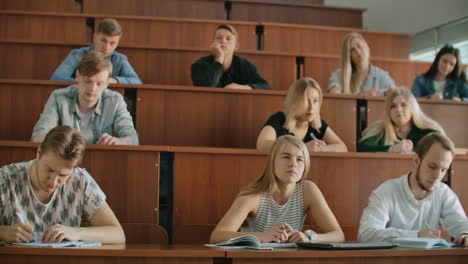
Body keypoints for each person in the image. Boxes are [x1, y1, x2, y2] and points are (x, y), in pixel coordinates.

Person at [0, 126, 125, 244]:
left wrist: (77, 232)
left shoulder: (80, 180)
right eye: (49, 170)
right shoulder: (5, 178)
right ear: (38, 153)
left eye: (63, 175)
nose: (53, 182)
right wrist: (3, 232)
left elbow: (118, 234)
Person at [210, 135, 344, 244]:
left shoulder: (308, 190)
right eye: (286, 157)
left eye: (300, 159)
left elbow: (338, 235)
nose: (293, 164)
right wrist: (263, 236)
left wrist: (309, 238)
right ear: (272, 162)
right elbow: (217, 236)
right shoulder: (254, 194)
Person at [358, 133, 468, 246]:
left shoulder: (444, 193)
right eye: (432, 167)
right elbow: (366, 235)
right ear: (416, 161)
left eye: (443, 170)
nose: (437, 176)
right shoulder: (386, 192)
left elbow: (461, 224)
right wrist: (417, 236)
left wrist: (465, 234)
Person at [32, 51, 139, 145]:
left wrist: (119, 142)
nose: (92, 88)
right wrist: (61, 142)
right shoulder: (58, 98)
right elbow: (38, 137)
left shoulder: (115, 101)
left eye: (99, 83)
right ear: (78, 76)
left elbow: (133, 140)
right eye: (88, 81)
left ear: (107, 83)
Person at [257, 77, 348, 152]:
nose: (311, 107)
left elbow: (342, 148)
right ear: (294, 102)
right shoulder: (279, 119)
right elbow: (262, 145)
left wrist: (320, 149)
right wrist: (303, 147)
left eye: (315, 101)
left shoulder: (317, 125)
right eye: (305, 101)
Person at [50, 18, 142, 84]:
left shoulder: (120, 59)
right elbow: (56, 78)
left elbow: (137, 82)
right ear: (94, 38)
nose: (107, 47)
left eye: (112, 43)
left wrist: (114, 80)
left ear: (117, 43)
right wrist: (86, 82)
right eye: (103, 41)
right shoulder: (77, 55)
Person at [358, 87, 444, 153]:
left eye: (403, 105)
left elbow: (440, 146)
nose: (398, 110)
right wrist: (392, 149)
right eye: (393, 106)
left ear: (412, 108)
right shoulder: (380, 130)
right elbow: (362, 148)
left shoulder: (427, 131)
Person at [191, 24, 271, 90]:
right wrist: (220, 58)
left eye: (228, 39)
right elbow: (206, 88)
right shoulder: (200, 64)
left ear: (236, 46)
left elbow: (265, 87)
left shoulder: (245, 65)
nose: (223, 41)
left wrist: (243, 87)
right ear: (213, 43)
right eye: (219, 38)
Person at [328, 32, 396, 96]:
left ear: (367, 47)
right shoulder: (338, 75)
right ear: (348, 56)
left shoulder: (382, 75)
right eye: (352, 50)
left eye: (359, 46)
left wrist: (380, 94)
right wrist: (362, 97)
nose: (358, 51)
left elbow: (395, 95)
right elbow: (335, 97)